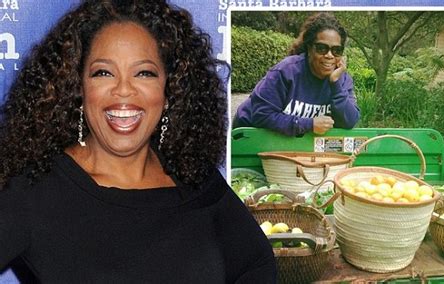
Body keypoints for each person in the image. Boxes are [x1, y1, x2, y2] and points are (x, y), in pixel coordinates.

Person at [0, 0, 276, 283]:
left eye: (144, 72)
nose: (123, 90)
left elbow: (257, 264)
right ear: (77, 87)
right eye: (102, 73)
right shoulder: (37, 189)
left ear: (170, 88)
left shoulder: (195, 179)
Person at [233, 12, 360, 136]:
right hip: (248, 134)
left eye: (336, 50)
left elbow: (349, 121)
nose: (329, 55)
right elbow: (261, 115)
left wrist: (335, 84)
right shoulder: (286, 71)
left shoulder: (341, 79)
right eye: (322, 48)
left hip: (289, 139)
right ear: (309, 48)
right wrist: (308, 125)